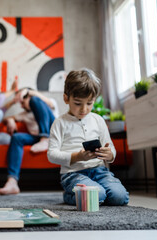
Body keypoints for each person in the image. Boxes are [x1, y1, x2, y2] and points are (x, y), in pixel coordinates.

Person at [47, 68, 129, 206]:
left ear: (94, 100)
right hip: (73, 174)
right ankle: (69, 196)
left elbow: (110, 148)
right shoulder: (59, 123)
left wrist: (109, 155)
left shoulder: (98, 120)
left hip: (100, 171)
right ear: (66, 98)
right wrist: (77, 157)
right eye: (78, 103)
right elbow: (51, 155)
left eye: (89, 103)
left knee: (119, 197)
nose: (84, 109)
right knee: (98, 195)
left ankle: (85, 194)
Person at [0, 88, 59, 195]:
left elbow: (39, 100)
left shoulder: (47, 104)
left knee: (35, 101)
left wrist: (28, 92)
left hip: (54, 135)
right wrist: (10, 120)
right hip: (36, 139)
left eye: (23, 102)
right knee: (17, 137)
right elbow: (5, 118)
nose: (21, 106)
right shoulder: (24, 114)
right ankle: (12, 182)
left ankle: (45, 138)